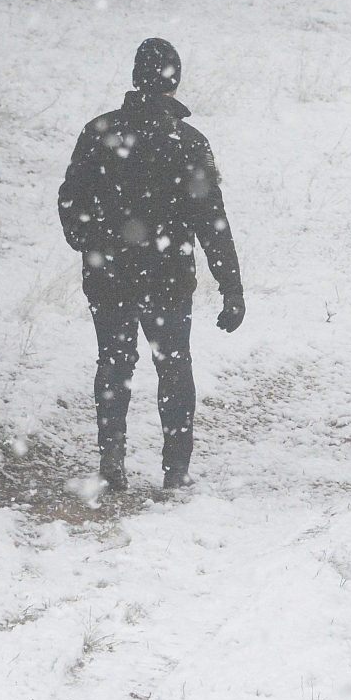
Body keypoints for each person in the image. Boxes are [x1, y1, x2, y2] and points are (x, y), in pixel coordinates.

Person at [57, 38, 244, 493]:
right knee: (174, 368)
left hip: (108, 273)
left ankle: (111, 456)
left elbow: (69, 199)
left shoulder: (99, 131)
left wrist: (90, 242)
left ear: (136, 76)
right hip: (167, 275)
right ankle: (175, 469)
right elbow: (210, 220)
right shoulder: (188, 142)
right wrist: (231, 286)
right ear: (173, 80)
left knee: (114, 364)